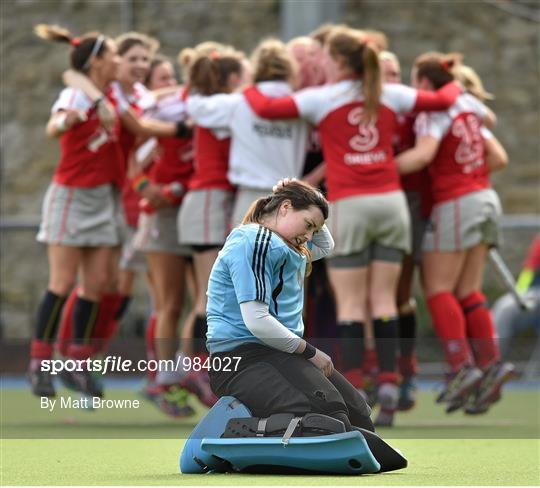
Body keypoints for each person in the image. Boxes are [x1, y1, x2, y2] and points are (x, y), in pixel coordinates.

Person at [242, 26, 462, 426]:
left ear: (338, 61)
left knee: (351, 304)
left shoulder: (323, 98)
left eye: (325, 55)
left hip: (351, 205)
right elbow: (443, 98)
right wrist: (452, 80)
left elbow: (264, 107)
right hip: (391, 203)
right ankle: (391, 382)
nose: (320, 60)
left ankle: (357, 389)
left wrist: (249, 84)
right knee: (384, 299)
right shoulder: (389, 92)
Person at [395, 52, 513, 415]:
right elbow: (499, 157)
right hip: (486, 197)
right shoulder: (468, 105)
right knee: (468, 291)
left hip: (457, 203)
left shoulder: (433, 111)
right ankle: (491, 364)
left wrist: (374, 172)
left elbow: (422, 156)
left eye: (417, 81)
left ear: (427, 84)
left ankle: (461, 367)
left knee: (437, 288)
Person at [207, 179, 374, 433]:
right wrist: (310, 352)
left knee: (358, 413)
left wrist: (308, 196)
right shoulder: (254, 240)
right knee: (328, 414)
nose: (309, 236)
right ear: (285, 207)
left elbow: (326, 246)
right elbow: (257, 320)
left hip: (277, 353)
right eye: (308, 225)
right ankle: (233, 431)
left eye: (314, 230)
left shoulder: (287, 245)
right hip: (241, 359)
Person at [28, 24, 123, 397]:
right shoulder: (76, 94)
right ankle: (39, 365)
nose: (117, 60)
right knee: (62, 284)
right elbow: (56, 122)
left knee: (96, 284)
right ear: (97, 60)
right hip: (72, 197)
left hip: (103, 198)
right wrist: (64, 121)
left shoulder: (110, 93)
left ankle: (77, 365)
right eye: (112, 54)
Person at [186, 38, 309, 227]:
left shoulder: (238, 102)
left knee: (246, 256)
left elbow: (196, 107)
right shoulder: (302, 104)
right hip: (289, 199)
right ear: (290, 70)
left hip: (250, 199)